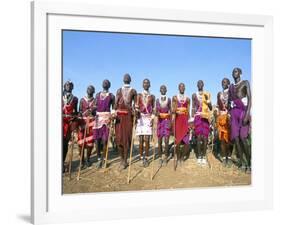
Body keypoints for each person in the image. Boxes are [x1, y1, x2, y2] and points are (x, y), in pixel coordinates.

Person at [229, 67, 251, 172]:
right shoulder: (231, 87)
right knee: (236, 139)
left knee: (243, 139)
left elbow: (250, 99)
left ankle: (249, 163)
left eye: (236, 71)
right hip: (234, 113)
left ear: (240, 73)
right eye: (233, 72)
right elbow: (229, 102)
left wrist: (247, 114)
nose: (234, 73)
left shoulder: (245, 83)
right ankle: (242, 162)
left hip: (243, 112)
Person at [114, 74, 137, 169]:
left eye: (128, 77)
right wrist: (113, 113)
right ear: (123, 79)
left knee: (127, 139)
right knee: (119, 139)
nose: (126, 78)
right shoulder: (119, 90)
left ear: (130, 80)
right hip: (119, 117)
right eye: (125, 77)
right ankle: (121, 159)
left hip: (128, 117)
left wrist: (135, 111)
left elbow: (135, 105)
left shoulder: (133, 91)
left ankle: (126, 160)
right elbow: (115, 105)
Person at [93, 80, 115, 168]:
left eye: (107, 83)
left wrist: (112, 116)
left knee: (105, 140)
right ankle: (99, 159)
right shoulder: (97, 95)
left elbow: (113, 108)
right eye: (104, 82)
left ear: (109, 85)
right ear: (102, 84)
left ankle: (104, 159)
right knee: (97, 140)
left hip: (106, 119)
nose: (105, 83)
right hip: (98, 119)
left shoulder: (111, 96)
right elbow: (95, 105)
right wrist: (90, 111)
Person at [135, 79, 156, 167]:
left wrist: (153, 117)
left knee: (147, 139)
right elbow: (136, 106)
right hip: (140, 118)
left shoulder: (152, 96)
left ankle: (146, 157)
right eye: (144, 83)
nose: (146, 84)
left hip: (148, 118)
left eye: (147, 83)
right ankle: (141, 156)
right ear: (142, 85)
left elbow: (154, 108)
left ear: (150, 85)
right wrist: (136, 113)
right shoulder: (138, 95)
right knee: (140, 140)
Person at [192, 80, 212, 165]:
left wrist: (207, 101)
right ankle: (199, 156)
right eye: (198, 83)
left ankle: (204, 156)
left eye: (201, 83)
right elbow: (193, 108)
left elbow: (210, 107)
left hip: (205, 117)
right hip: (197, 117)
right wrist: (192, 118)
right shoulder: (194, 95)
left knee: (205, 138)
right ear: (197, 85)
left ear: (203, 85)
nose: (200, 85)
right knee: (198, 137)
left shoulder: (207, 94)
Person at [77, 85, 96, 169]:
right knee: (81, 142)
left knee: (90, 143)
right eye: (88, 89)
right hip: (83, 122)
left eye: (91, 89)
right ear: (86, 90)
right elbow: (80, 111)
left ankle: (88, 159)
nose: (89, 90)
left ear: (94, 91)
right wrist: (82, 113)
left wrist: (92, 111)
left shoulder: (95, 101)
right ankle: (82, 160)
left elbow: (96, 112)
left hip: (92, 123)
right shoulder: (82, 100)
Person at [172, 83, 190, 166]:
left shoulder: (188, 99)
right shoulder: (175, 97)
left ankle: (182, 157)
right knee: (178, 142)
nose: (182, 88)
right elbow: (173, 110)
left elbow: (188, 111)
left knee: (187, 142)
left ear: (185, 88)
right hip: (178, 120)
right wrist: (176, 110)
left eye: (183, 87)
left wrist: (189, 122)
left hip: (185, 121)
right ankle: (178, 158)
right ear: (178, 88)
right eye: (180, 87)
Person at [62, 81, 78, 172]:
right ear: (64, 86)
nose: (69, 87)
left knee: (65, 144)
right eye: (67, 85)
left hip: (68, 125)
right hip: (60, 123)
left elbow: (75, 111)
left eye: (70, 85)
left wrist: (75, 116)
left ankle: (62, 162)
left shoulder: (75, 99)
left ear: (72, 87)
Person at [217, 78, 232, 167]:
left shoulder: (231, 92)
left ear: (229, 83)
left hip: (229, 117)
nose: (223, 83)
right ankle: (223, 157)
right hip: (221, 117)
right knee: (222, 139)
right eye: (222, 82)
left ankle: (229, 157)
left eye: (225, 82)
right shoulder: (219, 94)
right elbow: (218, 106)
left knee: (229, 139)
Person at [156, 85, 171, 166]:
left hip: (166, 121)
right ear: (159, 90)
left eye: (164, 88)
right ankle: (160, 157)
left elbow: (171, 111)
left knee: (166, 140)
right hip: (160, 122)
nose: (163, 90)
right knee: (159, 140)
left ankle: (165, 156)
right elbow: (156, 111)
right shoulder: (157, 100)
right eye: (161, 88)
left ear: (166, 90)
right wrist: (157, 113)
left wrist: (170, 121)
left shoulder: (169, 99)